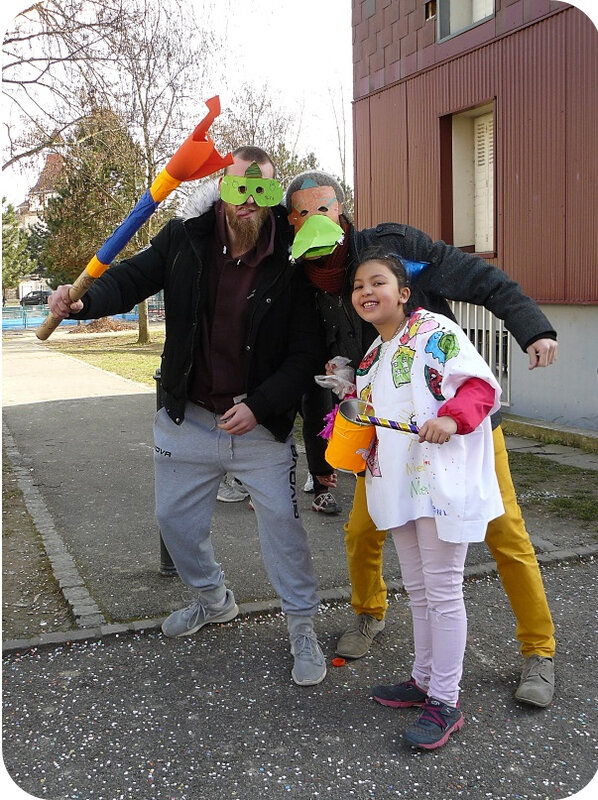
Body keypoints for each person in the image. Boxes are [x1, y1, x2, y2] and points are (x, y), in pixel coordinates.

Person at [47, 147, 327, 687]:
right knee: (175, 523)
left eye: (262, 190)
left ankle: (302, 625)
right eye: (238, 187)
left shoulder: (293, 258)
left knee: (284, 531)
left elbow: (305, 351)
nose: (248, 201)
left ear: (274, 197)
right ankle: (212, 599)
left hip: (258, 426)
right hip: (188, 417)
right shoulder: (184, 239)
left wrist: (262, 405)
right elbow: (127, 279)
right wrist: (83, 301)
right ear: (221, 187)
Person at [285, 170, 558, 707]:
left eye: (324, 207)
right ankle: (368, 615)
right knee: (364, 529)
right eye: (301, 212)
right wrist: (341, 371)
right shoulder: (306, 276)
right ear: (290, 220)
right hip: (386, 438)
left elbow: (478, 278)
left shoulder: (392, 248)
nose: (314, 219)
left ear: (342, 209)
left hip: (458, 426)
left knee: (505, 535)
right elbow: (332, 345)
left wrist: (533, 326)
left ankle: (539, 651)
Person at [349, 250, 503, 748]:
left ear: (404, 293)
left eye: (377, 283)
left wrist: (453, 418)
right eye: (357, 286)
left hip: (438, 480)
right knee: (416, 590)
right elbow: (376, 420)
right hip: (397, 484)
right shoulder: (372, 356)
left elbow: (478, 384)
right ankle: (422, 680)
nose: (366, 292)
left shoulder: (434, 331)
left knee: (441, 590)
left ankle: (445, 699)